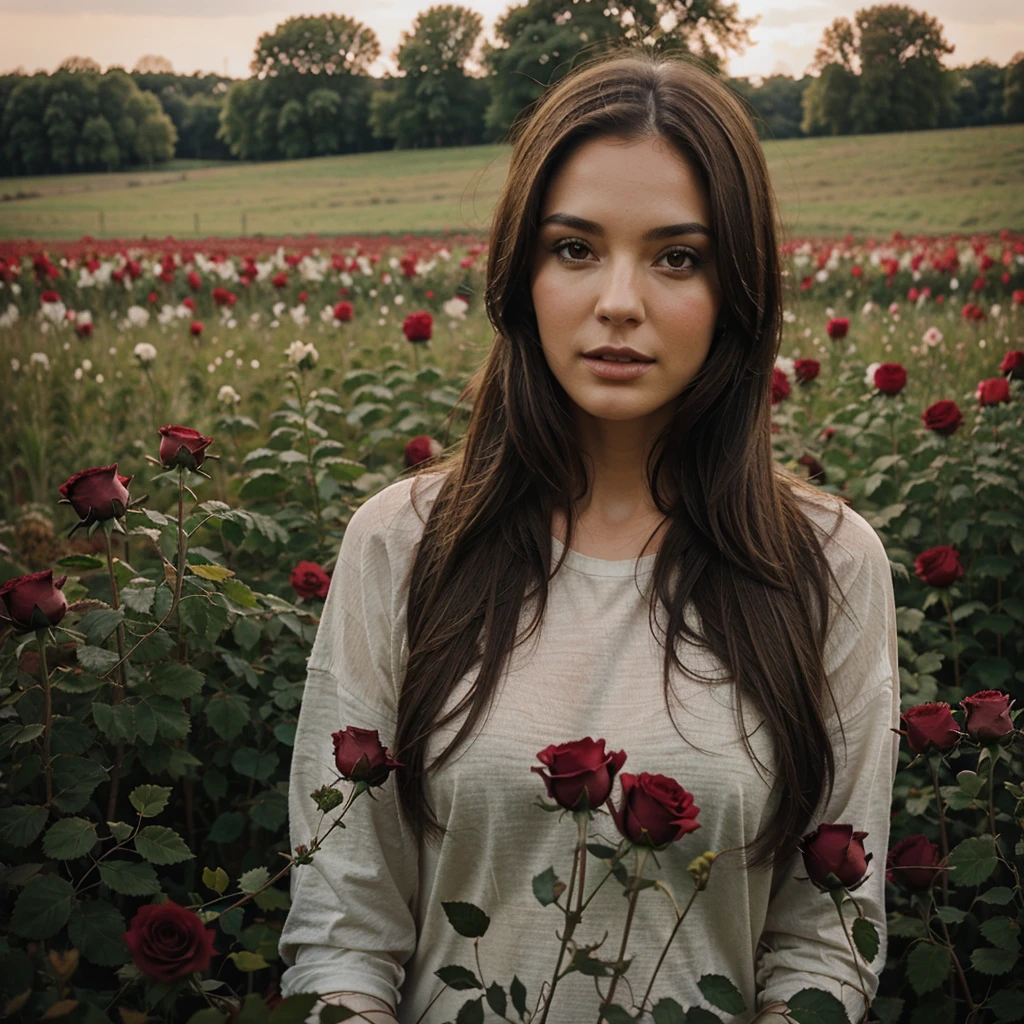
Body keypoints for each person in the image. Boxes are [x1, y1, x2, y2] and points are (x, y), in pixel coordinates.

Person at [278, 46, 900, 1024]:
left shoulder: (826, 563)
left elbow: (824, 940)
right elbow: (342, 931)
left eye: (676, 256)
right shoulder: (401, 544)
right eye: (575, 248)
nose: (619, 301)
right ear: (520, 271)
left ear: (737, 287)